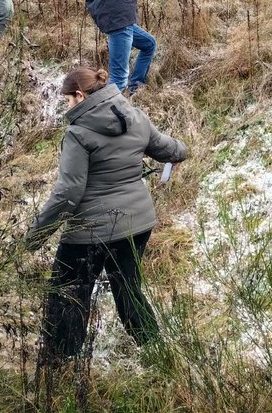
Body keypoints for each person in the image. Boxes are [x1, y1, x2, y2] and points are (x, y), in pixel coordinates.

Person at [25, 67, 188, 363]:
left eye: (68, 100)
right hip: (137, 224)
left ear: (80, 95)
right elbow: (169, 148)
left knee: (69, 293)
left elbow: (68, 193)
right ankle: (153, 349)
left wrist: (34, 236)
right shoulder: (135, 116)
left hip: (90, 231)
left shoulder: (79, 133)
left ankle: (60, 359)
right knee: (128, 288)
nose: (67, 106)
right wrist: (179, 154)